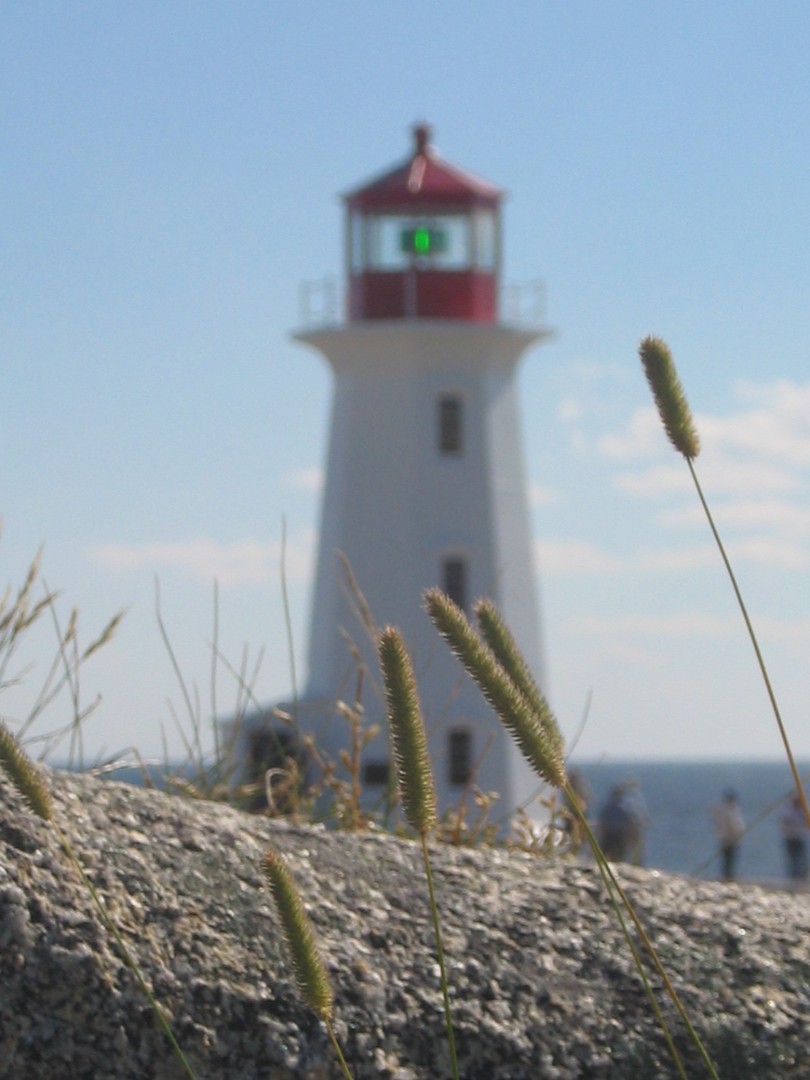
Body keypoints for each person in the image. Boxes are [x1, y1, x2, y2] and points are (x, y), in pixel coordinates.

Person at [712, 788, 744, 881]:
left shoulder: (731, 809)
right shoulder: (729, 810)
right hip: (728, 838)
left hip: (729, 838)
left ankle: (728, 875)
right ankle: (727, 876)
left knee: (730, 858)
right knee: (728, 857)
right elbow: (733, 824)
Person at [780, 794, 809, 883]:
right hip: (791, 838)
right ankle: (794, 878)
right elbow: (785, 822)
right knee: (793, 859)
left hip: (800, 837)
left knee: (802, 858)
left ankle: (802, 877)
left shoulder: (803, 810)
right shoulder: (788, 810)